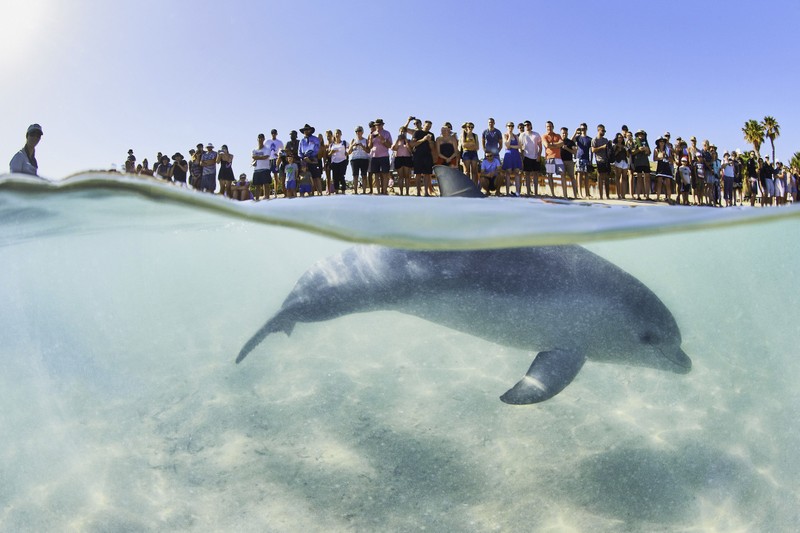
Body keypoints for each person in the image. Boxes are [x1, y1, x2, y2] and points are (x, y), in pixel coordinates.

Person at [368, 118, 393, 195]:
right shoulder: (372, 134)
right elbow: (369, 147)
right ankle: (378, 191)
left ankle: (384, 191)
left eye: (379, 125)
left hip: (384, 156)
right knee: (376, 174)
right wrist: (371, 139)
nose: (377, 126)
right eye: (376, 125)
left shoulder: (387, 133)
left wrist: (383, 140)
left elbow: (390, 146)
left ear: (382, 125)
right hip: (374, 156)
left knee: (385, 174)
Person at [520, 120, 543, 196]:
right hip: (526, 157)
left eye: (528, 125)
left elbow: (540, 146)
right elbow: (520, 146)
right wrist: (522, 157)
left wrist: (539, 156)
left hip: (535, 157)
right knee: (527, 175)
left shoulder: (536, 135)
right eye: (525, 125)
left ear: (531, 126)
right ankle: (528, 192)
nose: (527, 126)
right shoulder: (522, 135)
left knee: (535, 175)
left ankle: (536, 193)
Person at [542, 121, 564, 197]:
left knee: (562, 174)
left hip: (558, 158)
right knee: (550, 175)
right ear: (546, 127)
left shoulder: (557, 135)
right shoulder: (544, 136)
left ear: (553, 127)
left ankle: (565, 195)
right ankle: (553, 194)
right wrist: (556, 145)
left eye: (550, 126)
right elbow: (547, 145)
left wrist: (552, 144)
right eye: (547, 126)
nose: (549, 128)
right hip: (549, 158)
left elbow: (561, 143)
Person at [298, 124, 321, 195]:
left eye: (308, 129)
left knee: (316, 177)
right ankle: (311, 193)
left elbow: (317, 148)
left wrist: (310, 157)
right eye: (305, 130)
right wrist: (303, 158)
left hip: (313, 158)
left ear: (310, 130)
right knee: (308, 177)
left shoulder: (315, 139)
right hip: (304, 160)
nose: (306, 131)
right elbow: (299, 151)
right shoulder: (301, 141)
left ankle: (320, 192)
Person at [502, 121, 522, 196]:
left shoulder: (516, 136)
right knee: (508, 173)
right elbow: (506, 145)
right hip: (508, 156)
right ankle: (507, 192)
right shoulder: (505, 135)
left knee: (517, 172)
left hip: (516, 155)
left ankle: (517, 192)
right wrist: (510, 136)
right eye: (509, 126)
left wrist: (511, 146)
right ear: (506, 127)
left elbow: (519, 146)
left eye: (512, 126)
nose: (510, 127)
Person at [591, 124, 611, 200]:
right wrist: (602, 147)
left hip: (606, 160)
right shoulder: (595, 140)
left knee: (606, 179)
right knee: (600, 178)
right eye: (602, 130)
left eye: (604, 131)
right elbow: (593, 150)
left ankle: (608, 195)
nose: (604, 132)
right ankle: (601, 196)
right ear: (598, 130)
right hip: (599, 160)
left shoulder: (605, 140)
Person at [392, 126, 413, 196]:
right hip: (399, 158)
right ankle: (401, 192)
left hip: (407, 158)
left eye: (404, 132)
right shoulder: (396, 140)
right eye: (401, 131)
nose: (402, 133)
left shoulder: (409, 140)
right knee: (400, 176)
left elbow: (411, 151)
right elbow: (393, 148)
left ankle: (407, 192)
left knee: (407, 176)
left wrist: (406, 142)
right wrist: (398, 140)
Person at [349, 126, 370, 194]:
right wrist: (352, 145)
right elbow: (349, 152)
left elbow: (368, 151)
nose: (358, 132)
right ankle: (355, 191)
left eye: (360, 131)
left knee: (364, 175)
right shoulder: (353, 140)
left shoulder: (365, 140)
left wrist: (362, 146)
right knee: (355, 176)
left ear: (362, 132)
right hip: (355, 159)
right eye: (357, 131)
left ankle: (364, 191)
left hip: (364, 159)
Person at [631, 130, 651, 200]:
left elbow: (649, 153)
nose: (641, 135)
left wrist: (646, 149)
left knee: (647, 178)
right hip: (638, 162)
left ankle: (648, 196)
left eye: (642, 134)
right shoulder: (634, 141)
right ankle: (638, 196)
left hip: (645, 162)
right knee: (639, 178)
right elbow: (632, 152)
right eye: (639, 134)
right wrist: (638, 150)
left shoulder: (646, 142)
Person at [252, 133, 272, 200]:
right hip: (257, 169)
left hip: (265, 168)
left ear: (264, 139)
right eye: (259, 138)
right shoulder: (254, 150)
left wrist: (257, 157)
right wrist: (261, 157)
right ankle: (257, 199)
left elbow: (266, 157)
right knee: (257, 185)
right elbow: (253, 157)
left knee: (266, 184)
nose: (260, 139)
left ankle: (267, 197)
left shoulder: (267, 149)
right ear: (257, 139)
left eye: (262, 138)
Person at [652, 137, 673, 203]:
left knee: (668, 183)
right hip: (660, 166)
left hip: (666, 166)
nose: (662, 143)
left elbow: (671, 160)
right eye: (660, 142)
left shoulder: (667, 149)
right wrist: (660, 157)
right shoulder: (656, 149)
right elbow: (654, 159)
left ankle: (669, 198)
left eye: (663, 141)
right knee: (659, 182)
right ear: (658, 142)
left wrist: (666, 156)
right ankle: (658, 197)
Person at [559, 127, 578, 198]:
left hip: (569, 161)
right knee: (562, 177)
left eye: (565, 133)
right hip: (561, 161)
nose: (564, 134)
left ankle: (575, 195)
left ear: (567, 133)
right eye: (563, 133)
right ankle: (565, 195)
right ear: (561, 133)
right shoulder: (558, 141)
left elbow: (574, 152)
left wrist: (567, 148)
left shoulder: (570, 142)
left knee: (572, 177)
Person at [328, 129, 348, 194]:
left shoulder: (344, 143)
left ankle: (343, 190)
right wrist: (331, 152)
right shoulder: (331, 145)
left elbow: (349, 149)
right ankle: (336, 190)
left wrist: (347, 152)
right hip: (334, 162)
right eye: (336, 133)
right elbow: (328, 154)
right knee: (335, 177)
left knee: (341, 176)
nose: (337, 135)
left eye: (338, 133)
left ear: (341, 134)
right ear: (334, 135)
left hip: (342, 161)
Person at [574, 124, 592, 198]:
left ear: (586, 129)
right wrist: (575, 132)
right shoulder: (578, 138)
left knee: (586, 176)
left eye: (584, 128)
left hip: (586, 158)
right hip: (579, 158)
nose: (583, 130)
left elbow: (591, 150)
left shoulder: (590, 139)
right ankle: (580, 193)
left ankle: (587, 193)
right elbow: (572, 140)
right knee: (579, 175)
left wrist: (591, 160)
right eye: (581, 129)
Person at [610, 133, 629, 199]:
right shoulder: (615, 146)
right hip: (618, 161)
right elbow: (613, 155)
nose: (620, 139)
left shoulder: (624, 146)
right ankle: (618, 194)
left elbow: (628, 155)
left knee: (624, 178)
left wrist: (626, 150)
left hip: (624, 161)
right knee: (617, 178)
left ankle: (623, 194)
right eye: (619, 137)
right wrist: (618, 150)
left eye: (621, 137)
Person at [267, 130, 284, 198]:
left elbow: (282, 150)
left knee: (275, 176)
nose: (273, 134)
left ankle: (275, 191)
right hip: (268, 159)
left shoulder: (279, 142)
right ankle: (267, 192)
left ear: (276, 134)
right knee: (266, 176)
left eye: (274, 133)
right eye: (272, 133)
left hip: (275, 159)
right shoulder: (267, 141)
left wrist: (278, 155)